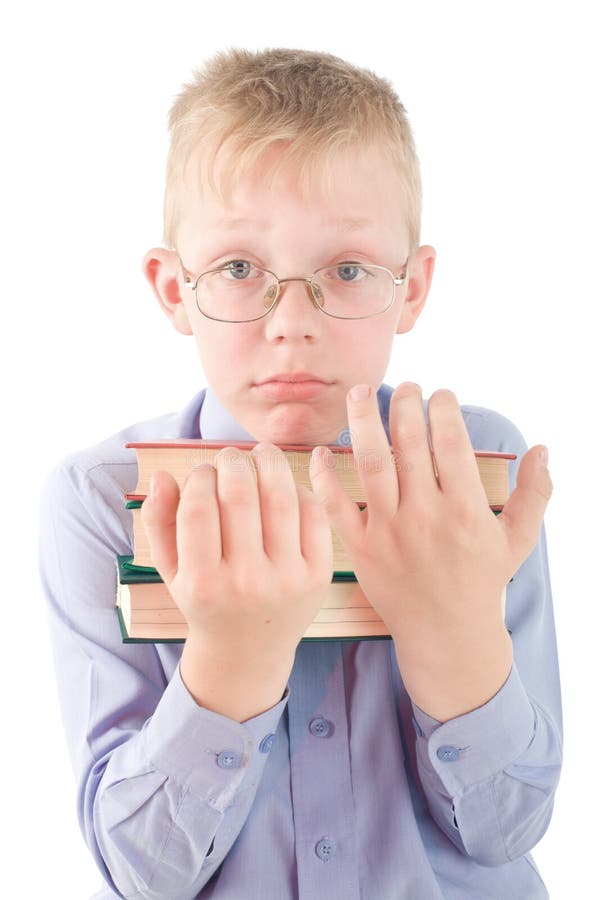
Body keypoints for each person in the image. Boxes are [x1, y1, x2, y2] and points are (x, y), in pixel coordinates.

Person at [38, 48, 562, 900]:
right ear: (174, 289)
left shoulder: (469, 476)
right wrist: (235, 656)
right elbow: (143, 873)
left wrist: (451, 633)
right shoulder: (102, 498)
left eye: (347, 271)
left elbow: (508, 828)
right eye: (239, 269)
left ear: (413, 288)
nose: (291, 325)